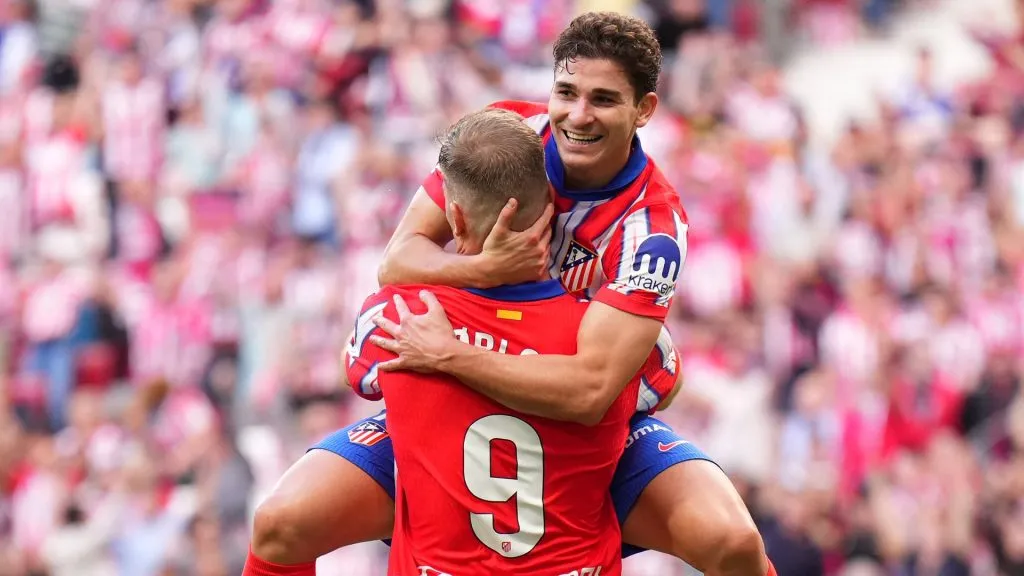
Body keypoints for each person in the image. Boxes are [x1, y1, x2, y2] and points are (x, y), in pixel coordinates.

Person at [248, 11, 773, 576]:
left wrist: (452, 353)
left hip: (575, 411)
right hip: (482, 384)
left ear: (644, 109)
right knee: (281, 523)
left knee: (733, 542)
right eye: (566, 92)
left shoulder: (652, 230)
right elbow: (397, 260)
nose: (578, 115)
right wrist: (486, 270)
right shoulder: (506, 139)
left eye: (603, 99)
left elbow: (590, 391)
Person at [345, 107, 679, 575]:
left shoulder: (398, 319)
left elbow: (361, 374)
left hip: (440, 560)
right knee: (731, 539)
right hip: (570, 560)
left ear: (454, 220)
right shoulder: (608, 336)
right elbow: (665, 380)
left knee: (281, 523)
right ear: (550, 203)